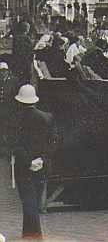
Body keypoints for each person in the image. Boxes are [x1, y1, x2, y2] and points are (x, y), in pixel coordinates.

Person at [12, 84, 54, 240]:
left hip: (24, 167)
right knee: (34, 202)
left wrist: (29, 161)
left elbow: (14, 144)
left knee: (28, 204)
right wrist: (42, 159)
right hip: (42, 165)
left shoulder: (15, 120)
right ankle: (28, 235)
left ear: (19, 102)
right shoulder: (47, 117)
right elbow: (53, 141)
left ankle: (34, 237)